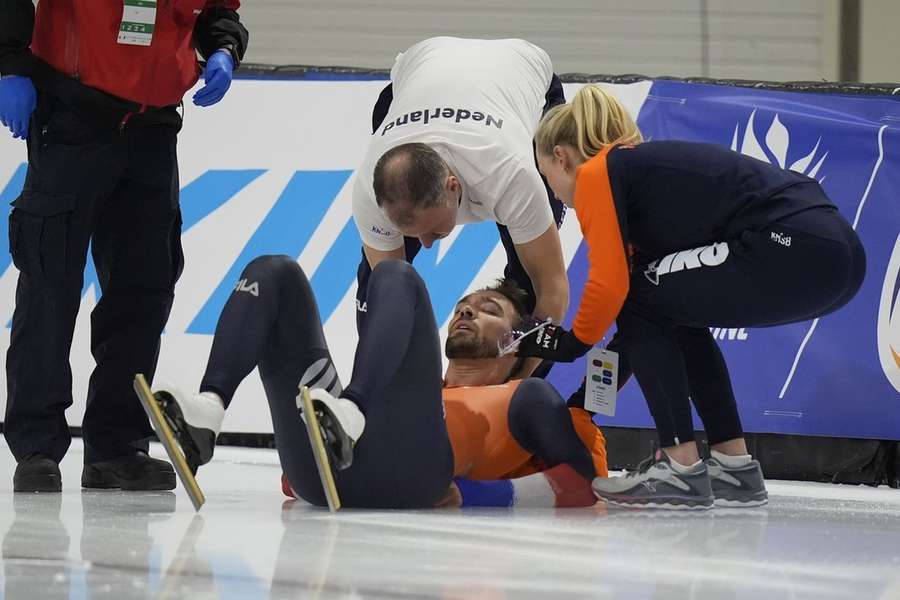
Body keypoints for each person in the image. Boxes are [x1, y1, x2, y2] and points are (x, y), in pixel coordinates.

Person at [516, 84, 866, 509]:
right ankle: (732, 465)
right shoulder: (642, 186)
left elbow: (611, 287)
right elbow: (638, 329)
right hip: (835, 256)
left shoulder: (598, 173)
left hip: (793, 242)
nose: (552, 192)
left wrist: (572, 344)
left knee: (642, 296)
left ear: (561, 157)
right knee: (670, 310)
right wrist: (583, 405)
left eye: (545, 176)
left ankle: (680, 465)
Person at [0, 0, 249, 493]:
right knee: (51, 281)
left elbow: (217, 11)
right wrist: (9, 63)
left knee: (144, 289)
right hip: (71, 115)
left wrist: (224, 49)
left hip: (153, 127)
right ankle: (35, 446)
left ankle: (116, 447)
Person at [151, 255, 607, 509]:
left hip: (416, 477)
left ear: (517, 345)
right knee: (274, 272)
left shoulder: (523, 395)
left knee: (397, 275)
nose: (467, 311)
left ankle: (349, 415)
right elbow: (292, 485)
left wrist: (476, 493)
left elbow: (585, 482)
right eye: (464, 305)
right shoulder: (410, 382)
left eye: (490, 310)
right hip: (323, 477)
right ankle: (208, 411)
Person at [352, 37, 569, 377]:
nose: (426, 243)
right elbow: (388, 298)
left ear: (454, 188)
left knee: (527, 284)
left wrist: (515, 385)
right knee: (379, 287)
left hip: (522, 77)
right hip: (418, 70)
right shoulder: (368, 189)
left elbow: (553, 290)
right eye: (415, 233)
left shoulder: (511, 174)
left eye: (432, 229)